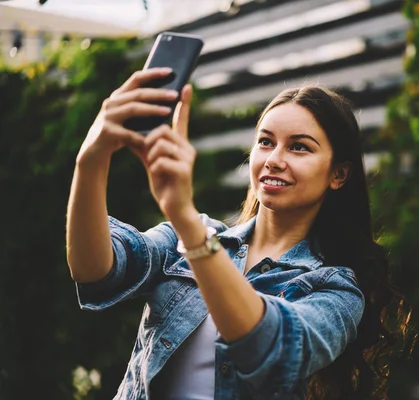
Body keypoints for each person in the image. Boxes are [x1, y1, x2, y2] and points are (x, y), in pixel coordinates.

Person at [66, 68, 393, 399]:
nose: (274, 160)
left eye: (299, 148)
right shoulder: (188, 239)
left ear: (338, 174)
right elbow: (94, 269)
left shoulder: (337, 288)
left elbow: (273, 349)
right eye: (265, 142)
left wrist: (186, 220)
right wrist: (92, 159)